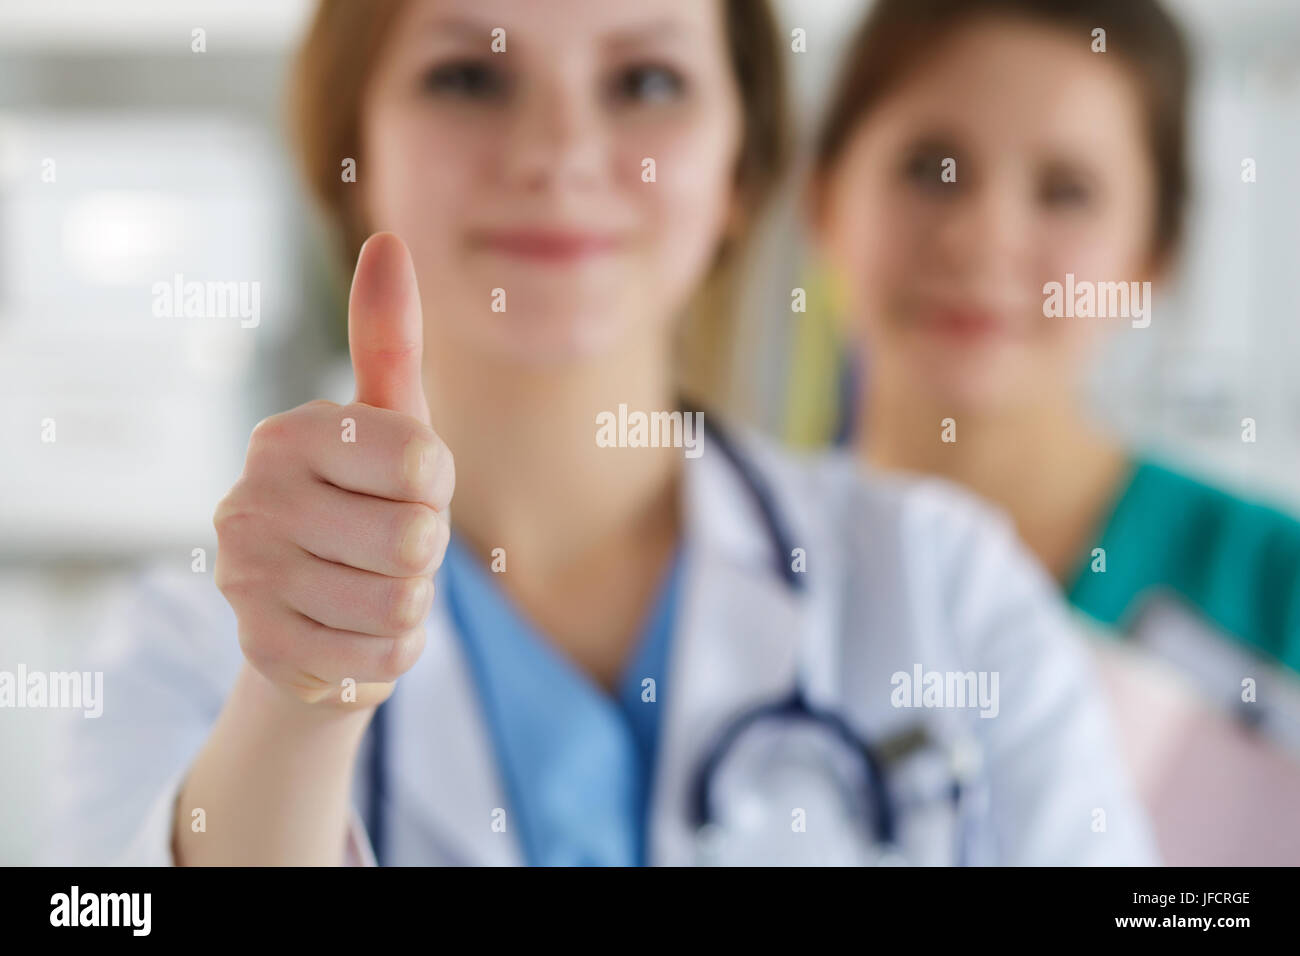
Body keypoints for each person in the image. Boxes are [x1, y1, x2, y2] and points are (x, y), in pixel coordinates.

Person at [42, 0, 1154, 867]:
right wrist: (295, 709)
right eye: (470, 75)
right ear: (348, 152)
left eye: (646, 81)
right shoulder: (182, 649)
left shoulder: (946, 587)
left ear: (740, 169)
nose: (559, 151)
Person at [807, 0, 1300, 863]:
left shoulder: (1272, 587)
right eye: (932, 168)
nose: (983, 237)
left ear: (1154, 255)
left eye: (1066, 191)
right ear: (824, 201)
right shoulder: (721, 569)